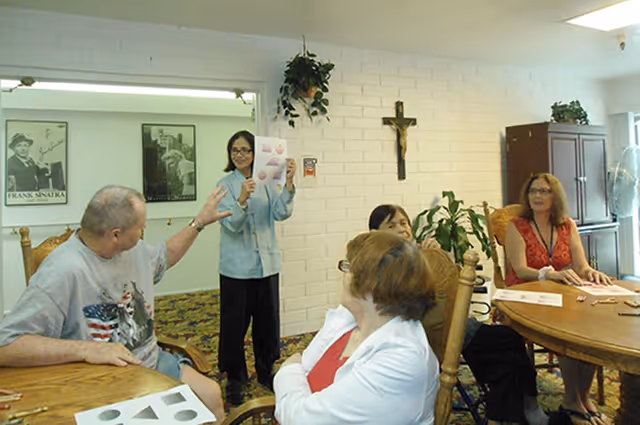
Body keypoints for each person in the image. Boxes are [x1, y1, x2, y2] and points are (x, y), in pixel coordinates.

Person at [0, 185, 230, 422]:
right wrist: (86, 349)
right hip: (102, 378)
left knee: (210, 395)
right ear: (115, 234)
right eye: (141, 227)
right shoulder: (62, 271)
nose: (143, 232)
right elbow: (6, 346)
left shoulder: (132, 249)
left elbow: (165, 256)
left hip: (150, 362)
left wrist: (198, 223)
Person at [369, 204, 549, 425]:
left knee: (507, 346)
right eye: (391, 225)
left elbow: (454, 290)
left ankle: (513, 409)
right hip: (430, 338)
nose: (401, 229)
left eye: (404, 223)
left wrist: (440, 257)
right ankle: (518, 409)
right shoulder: (382, 267)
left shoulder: (425, 254)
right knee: (506, 344)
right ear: (375, 234)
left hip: (455, 327)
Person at [274, 231, 439, 424]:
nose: (344, 275)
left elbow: (301, 419)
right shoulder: (352, 319)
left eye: (349, 268)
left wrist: (287, 370)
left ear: (371, 285)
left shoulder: (402, 360)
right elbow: (306, 368)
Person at [505, 173, 612, 425]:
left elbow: (581, 266)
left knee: (588, 330)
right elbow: (519, 269)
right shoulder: (516, 225)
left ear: (556, 197)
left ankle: (582, 397)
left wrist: (591, 272)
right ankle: (571, 400)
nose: (537, 196)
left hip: (562, 295)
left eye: (544, 191)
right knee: (569, 332)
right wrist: (549, 273)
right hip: (527, 294)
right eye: (533, 191)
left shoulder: (567, 225)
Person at [216, 130, 296, 405]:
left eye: (245, 150)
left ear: (255, 154)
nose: (239, 155)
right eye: (235, 150)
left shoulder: (267, 181)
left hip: (266, 265)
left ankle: (266, 370)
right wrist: (241, 200)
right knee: (234, 326)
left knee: (267, 322)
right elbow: (231, 224)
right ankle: (235, 378)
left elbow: (280, 213)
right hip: (236, 269)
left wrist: (289, 185)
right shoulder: (224, 184)